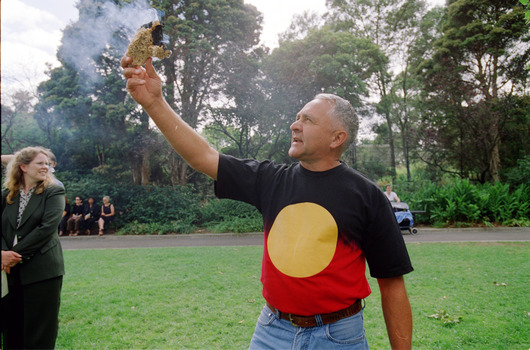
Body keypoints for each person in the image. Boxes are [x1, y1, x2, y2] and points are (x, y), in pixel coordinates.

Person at [122, 56, 413, 349]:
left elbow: (392, 285)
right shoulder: (270, 180)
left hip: (337, 336)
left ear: (337, 138)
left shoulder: (368, 196)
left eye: (307, 120)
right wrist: (154, 102)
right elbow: (204, 156)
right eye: (297, 117)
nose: (294, 125)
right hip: (272, 331)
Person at [1, 146, 66, 349]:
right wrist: (2, 254)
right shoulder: (7, 194)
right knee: (12, 328)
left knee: (40, 332)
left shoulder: (54, 190)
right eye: (40, 163)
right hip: (10, 272)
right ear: (23, 167)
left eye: (47, 163)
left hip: (43, 271)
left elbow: (46, 229)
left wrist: (13, 255)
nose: (46, 167)